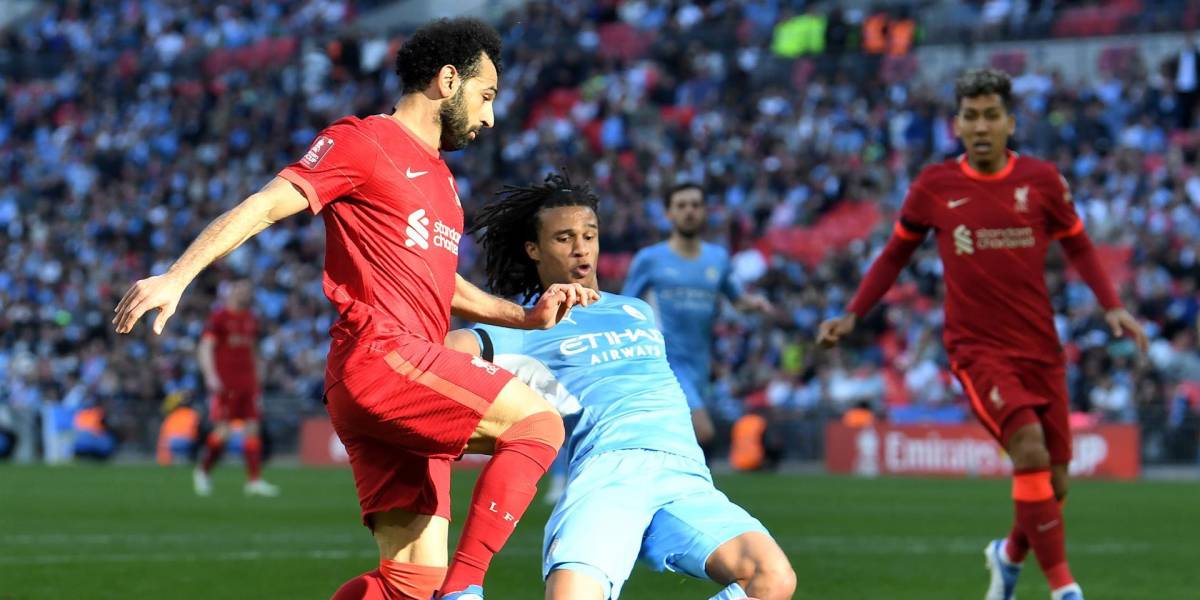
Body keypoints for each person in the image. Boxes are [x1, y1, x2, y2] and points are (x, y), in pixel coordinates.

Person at [113, 18, 597, 600]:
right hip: (384, 359)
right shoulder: (363, 141)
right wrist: (178, 275)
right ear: (448, 80)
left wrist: (527, 317)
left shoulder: (442, 180)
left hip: (399, 375)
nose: (491, 116)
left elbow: (442, 285)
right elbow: (268, 204)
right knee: (538, 424)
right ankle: (467, 591)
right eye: (486, 95)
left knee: (409, 583)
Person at [816, 68, 1148, 600]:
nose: (981, 125)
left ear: (1010, 122)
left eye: (991, 114)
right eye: (971, 116)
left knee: (1052, 484)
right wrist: (854, 313)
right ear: (957, 125)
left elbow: (1080, 245)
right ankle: (1065, 589)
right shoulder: (935, 186)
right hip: (977, 350)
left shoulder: (1041, 181)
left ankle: (1008, 555)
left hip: (1041, 348)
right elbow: (895, 252)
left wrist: (1112, 306)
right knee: (1029, 449)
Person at [445, 172, 795, 600]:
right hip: (606, 474)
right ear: (533, 249)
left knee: (771, 577)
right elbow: (452, 349)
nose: (580, 248)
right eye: (564, 238)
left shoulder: (635, 311)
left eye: (589, 235)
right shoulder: (522, 325)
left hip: (684, 474)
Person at [622, 183, 772, 459]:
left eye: (695, 205)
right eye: (681, 205)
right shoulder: (650, 259)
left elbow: (736, 298)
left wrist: (755, 304)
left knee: (683, 438)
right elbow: (625, 305)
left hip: (701, 363)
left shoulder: (718, 258)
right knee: (703, 432)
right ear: (669, 214)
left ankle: (666, 489)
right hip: (666, 360)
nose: (689, 211)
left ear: (704, 211)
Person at [193, 279, 279, 496]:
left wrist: (258, 377)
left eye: (248, 290)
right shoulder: (219, 318)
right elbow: (205, 347)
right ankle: (203, 471)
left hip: (247, 382)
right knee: (224, 431)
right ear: (231, 292)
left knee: (253, 428)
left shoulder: (251, 319)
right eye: (241, 289)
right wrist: (211, 376)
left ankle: (253, 481)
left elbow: (253, 351)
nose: (245, 294)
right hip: (226, 382)